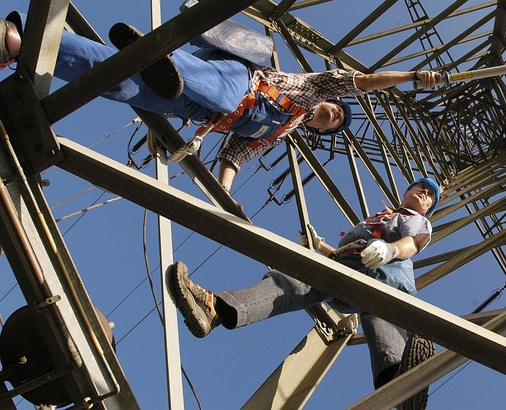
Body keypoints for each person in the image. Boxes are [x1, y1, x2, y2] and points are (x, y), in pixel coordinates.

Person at [0, 13, 442, 193]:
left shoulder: (279, 134)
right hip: (237, 83)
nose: (332, 114)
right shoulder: (318, 88)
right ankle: (161, 60)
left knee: (119, 82)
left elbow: (235, 154)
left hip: (194, 110)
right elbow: (364, 81)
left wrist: (223, 192)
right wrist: (411, 78)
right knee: (216, 89)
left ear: (320, 131)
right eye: (337, 111)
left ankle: (21, 45)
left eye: (332, 122)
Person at [168, 177, 440, 409]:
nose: (424, 193)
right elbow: (345, 251)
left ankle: (400, 384)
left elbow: (413, 244)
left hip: (385, 276)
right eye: (420, 187)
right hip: (344, 268)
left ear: (427, 209)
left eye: (429, 196)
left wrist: (391, 250)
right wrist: (319, 246)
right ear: (405, 191)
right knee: (296, 281)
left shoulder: (416, 221)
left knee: (381, 315)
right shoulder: (382, 216)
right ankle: (216, 309)